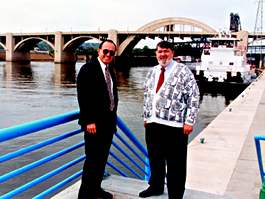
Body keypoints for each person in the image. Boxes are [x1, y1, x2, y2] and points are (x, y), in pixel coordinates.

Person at [139, 41, 200, 199]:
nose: (162, 55)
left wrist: (189, 121)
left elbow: (193, 96)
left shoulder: (183, 71)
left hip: (175, 126)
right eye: (160, 51)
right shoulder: (153, 71)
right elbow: (147, 95)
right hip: (153, 124)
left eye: (166, 51)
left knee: (176, 164)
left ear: (172, 53)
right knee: (155, 158)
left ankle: (176, 194)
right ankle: (156, 186)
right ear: (156, 53)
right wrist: (147, 117)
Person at [76, 39, 118, 199]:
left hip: (108, 125)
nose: (108, 54)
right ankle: (85, 196)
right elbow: (83, 97)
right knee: (92, 162)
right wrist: (89, 121)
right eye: (105, 51)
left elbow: (112, 96)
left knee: (101, 161)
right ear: (99, 51)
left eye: (111, 52)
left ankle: (96, 190)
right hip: (94, 126)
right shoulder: (88, 69)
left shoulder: (110, 70)